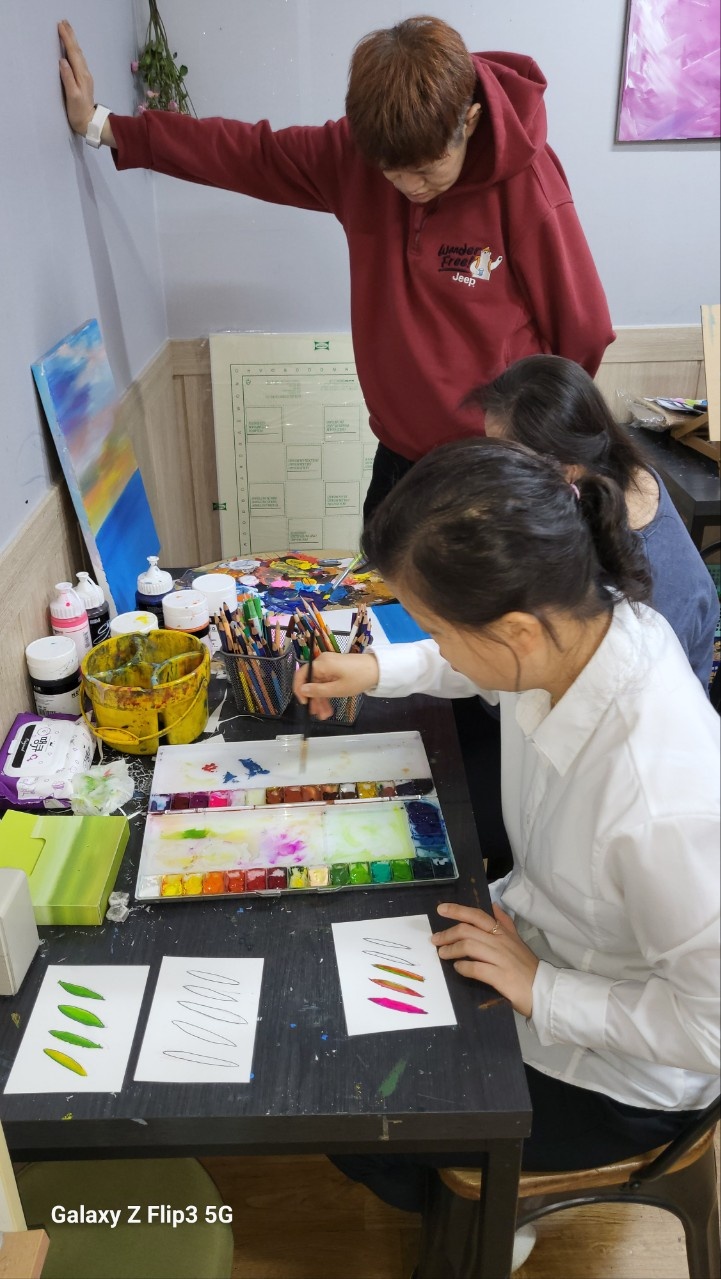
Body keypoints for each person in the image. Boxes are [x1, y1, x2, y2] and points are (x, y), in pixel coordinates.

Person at [291, 438, 720, 1231]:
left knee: (339, 1092)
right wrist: (379, 669)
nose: (438, 645)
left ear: (515, 630)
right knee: (336, 958)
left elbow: (711, 1028)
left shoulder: (661, 804)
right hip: (541, 936)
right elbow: (476, 662)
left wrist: (542, 988)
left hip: (623, 1073)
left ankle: (489, 1224)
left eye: (436, 627)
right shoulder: (581, 627)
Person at [58, 16, 614, 520]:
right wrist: (103, 125)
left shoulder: (528, 185)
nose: (411, 188)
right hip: (399, 461)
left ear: (468, 121)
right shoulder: (356, 158)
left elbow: (584, 331)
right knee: (381, 602)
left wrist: (542, 448)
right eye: (393, 173)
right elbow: (249, 154)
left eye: (427, 170)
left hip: (498, 472)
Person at [465, 354, 718, 688]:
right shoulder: (610, 474)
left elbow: (626, 699)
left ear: (568, 470)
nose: (500, 476)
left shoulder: (650, 586)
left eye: (509, 462)